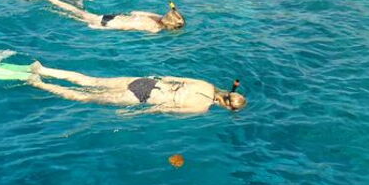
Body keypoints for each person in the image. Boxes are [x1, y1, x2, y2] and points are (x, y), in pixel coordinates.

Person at [25, 61, 246, 114]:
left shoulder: (206, 85)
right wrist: (134, 113)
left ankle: (43, 69)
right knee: (83, 97)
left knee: (90, 81)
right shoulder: (201, 108)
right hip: (143, 97)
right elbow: (163, 109)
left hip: (147, 82)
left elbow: (170, 77)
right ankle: (39, 84)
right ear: (228, 107)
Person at [47, 0, 184, 33]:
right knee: (72, 15)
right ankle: (52, 0)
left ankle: (58, 0)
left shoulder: (154, 16)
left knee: (79, 13)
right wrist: (101, 28)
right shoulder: (155, 29)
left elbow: (134, 12)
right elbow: (128, 28)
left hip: (113, 17)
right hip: (110, 24)